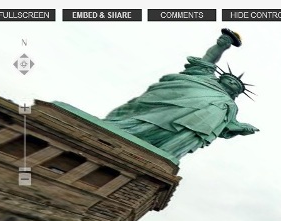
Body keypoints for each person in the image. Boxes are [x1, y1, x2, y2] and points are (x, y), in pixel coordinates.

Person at [104, 29, 258, 158]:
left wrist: (242, 128)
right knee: (143, 124)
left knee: (172, 141)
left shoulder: (230, 106)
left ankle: (160, 155)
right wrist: (221, 46)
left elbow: (226, 126)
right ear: (220, 78)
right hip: (166, 111)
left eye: (236, 85)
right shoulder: (206, 78)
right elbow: (208, 60)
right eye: (230, 79)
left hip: (189, 131)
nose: (232, 83)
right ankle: (115, 132)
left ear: (236, 93)